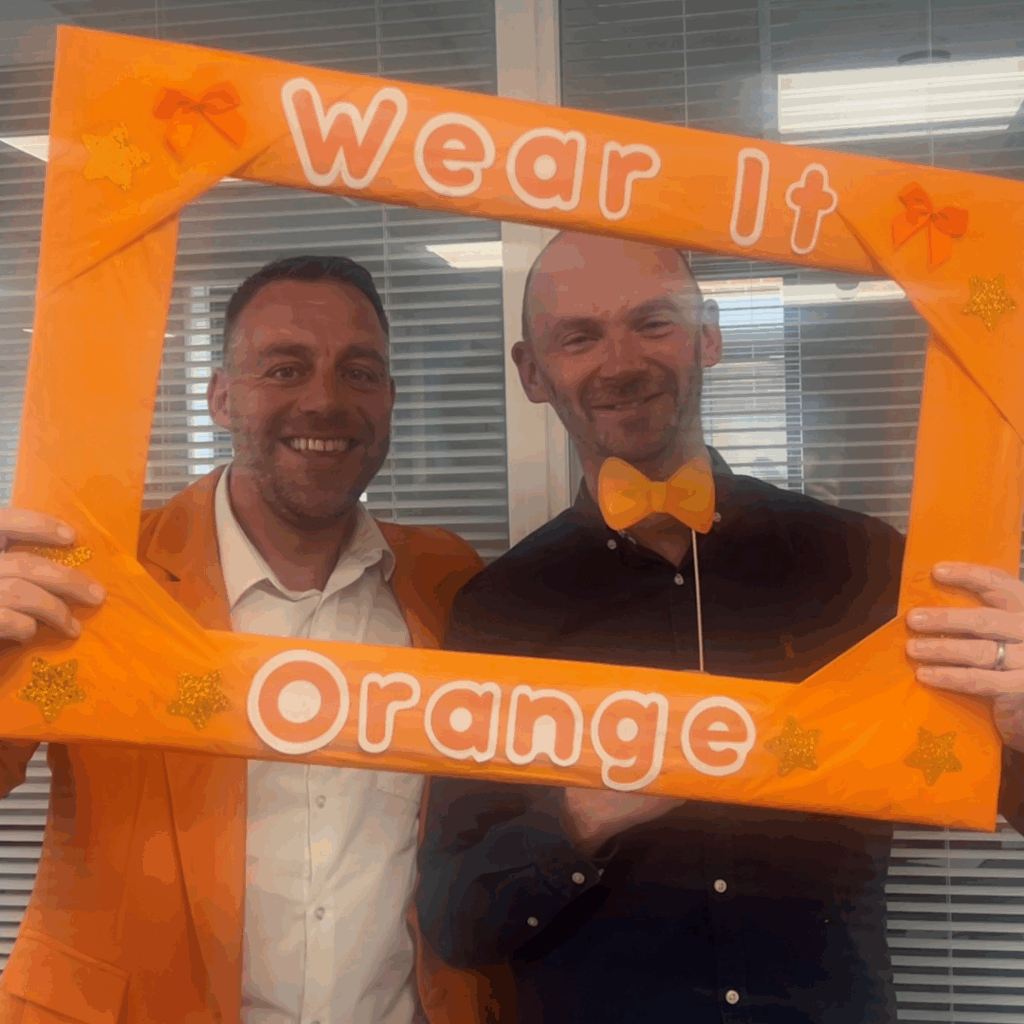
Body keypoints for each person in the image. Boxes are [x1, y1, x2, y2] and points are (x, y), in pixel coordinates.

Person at [415, 232, 1024, 1024]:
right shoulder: (495, 611)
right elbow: (455, 923)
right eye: (580, 337)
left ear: (709, 336)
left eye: (653, 323)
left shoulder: (865, 563)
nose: (622, 362)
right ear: (533, 372)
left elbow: (999, 791)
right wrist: (580, 816)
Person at [0, 255, 484, 1024]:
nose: (324, 400)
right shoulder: (102, 576)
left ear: (389, 398)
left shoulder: (447, 580)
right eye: (285, 369)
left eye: (359, 373)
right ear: (221, 398)